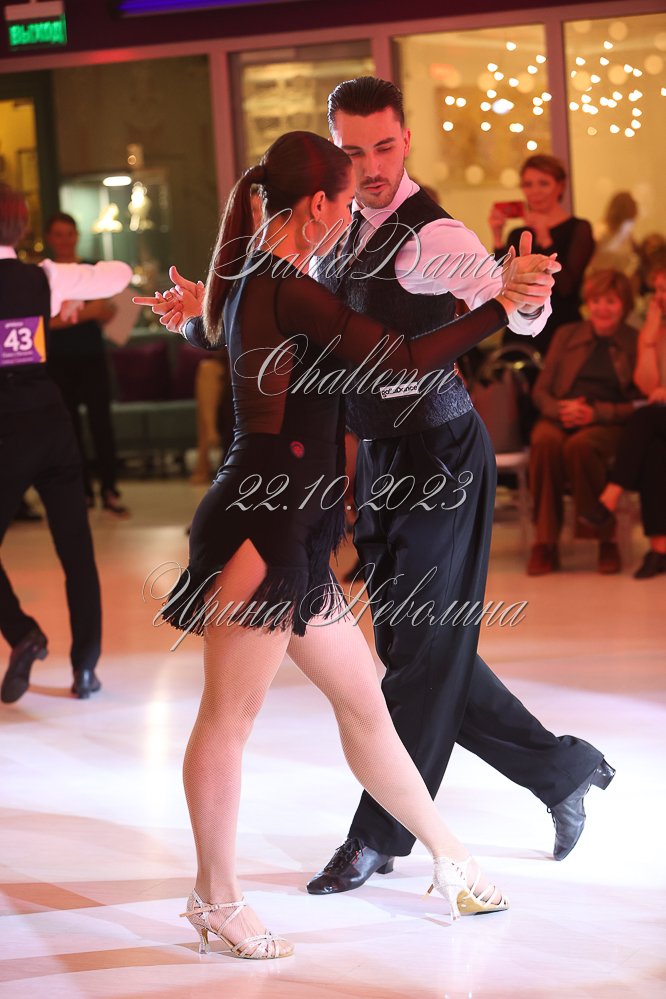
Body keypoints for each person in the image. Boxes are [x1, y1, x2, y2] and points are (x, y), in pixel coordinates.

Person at [147, 80, 614, 899]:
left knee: (420, 651)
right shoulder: (319, 234)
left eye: (384, 148)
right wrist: (202, 312)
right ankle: (559, 769)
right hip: (369, 465)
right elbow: (267, 328)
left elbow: (515, 310)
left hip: (440, 454)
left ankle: (379, 836)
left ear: (407, 142)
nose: (369, 167)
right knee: (412, 652)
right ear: (331, 158)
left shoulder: (435, 235)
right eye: (352, 151)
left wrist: (523, 295)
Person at [0, 185, 132, 702]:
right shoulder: (44, 277)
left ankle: (23, 633)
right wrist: (69, 285)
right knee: (77, 551)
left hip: (7, 428)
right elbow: (118, 275)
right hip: (51, 424)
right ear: (22, 228)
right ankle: (86, 668)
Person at [528, 269, 638, 576]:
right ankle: (545, 542)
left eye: (611, 301)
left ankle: (604, 538)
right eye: (596, 301)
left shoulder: (634, 341)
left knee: (581, 446)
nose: (602, 308)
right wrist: (560, 409)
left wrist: (597, 413)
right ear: (588, 303)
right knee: (544, 442)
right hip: (561, 414)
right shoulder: (567, 334)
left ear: (624, 305)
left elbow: (639, 404)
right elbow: (540, 391)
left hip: (607, 421)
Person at [582, 258, 666, 579]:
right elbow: (646, 385)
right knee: (654, 450)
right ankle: (660, 550)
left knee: (644, 419)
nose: (660, 297)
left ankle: (610, 498)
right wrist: (650, 339)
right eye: (658, 290)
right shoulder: (654, 330)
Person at [44, 213, 129, 517]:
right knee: (69, 430)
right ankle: (81, 492)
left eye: (69, 234)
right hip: (58, 362)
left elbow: (110, 312)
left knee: (101, 425)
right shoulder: (45, 273)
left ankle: (109, 490)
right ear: (50, 238)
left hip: (92, 359)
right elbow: (43, 323)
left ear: (77, 236)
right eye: (58, 234)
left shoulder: (93, 269)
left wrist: (69, 316)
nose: (65, 240)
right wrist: (86, 312)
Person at [490, 154, 595, 357]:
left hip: (562, 330)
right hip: (520, 330)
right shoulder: (517, 233)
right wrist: (497, 237)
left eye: (543, 183)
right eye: (528, 184)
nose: (535, 191)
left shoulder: (579, 229)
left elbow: (566, 287)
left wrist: (545, 238)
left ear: (560, 186)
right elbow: (500, 283)